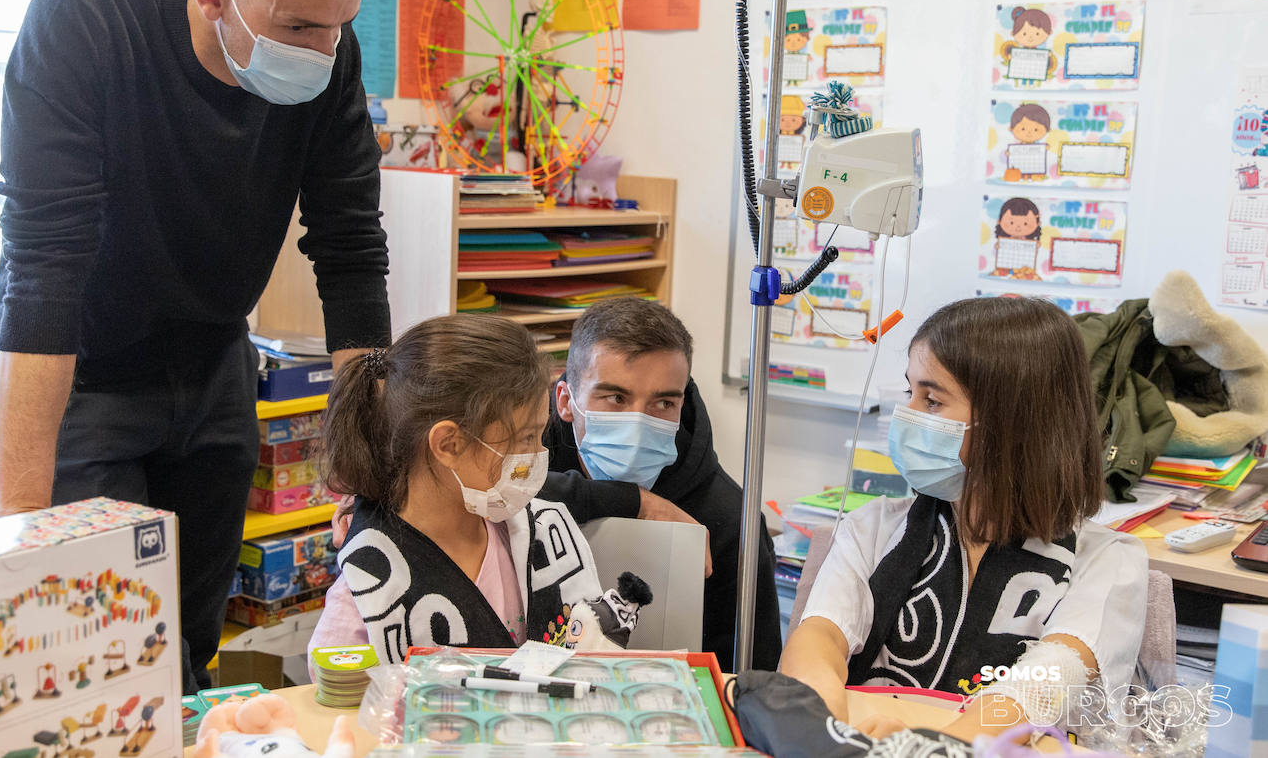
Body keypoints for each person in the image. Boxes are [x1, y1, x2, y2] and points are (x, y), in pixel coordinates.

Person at [0, 0, 391, 692]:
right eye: (299, 29)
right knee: (83, 648)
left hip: (212, 362)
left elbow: (351, 250)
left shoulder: (330, 56)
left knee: (187, 646)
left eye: (339, 27)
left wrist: (370, 464)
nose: (324, 53)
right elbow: (44, 272)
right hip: (82, 371)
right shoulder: (84, 26)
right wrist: (15, 548)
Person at [781, 296, 1147, 741]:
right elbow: (818, 639)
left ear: (1010, 421)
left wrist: (930, 747)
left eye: (932, 400)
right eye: (909, 392)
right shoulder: (873, 529)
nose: (907, 415)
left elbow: (1042, 686)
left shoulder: (1107, 562)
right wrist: (829, 726)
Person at [307, 315, 604, 667]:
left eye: (539, 436)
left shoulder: (542, 532)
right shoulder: (370, 588)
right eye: (525, 438)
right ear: (449, 444)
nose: (538, 454)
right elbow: (339, 704)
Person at [541, 297, 784, 671]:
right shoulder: (524, 465)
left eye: (663, 404)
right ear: (566, 401)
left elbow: (751, 674)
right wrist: (633, 501)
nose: (637, 423)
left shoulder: (730, 521)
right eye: (616, 397)